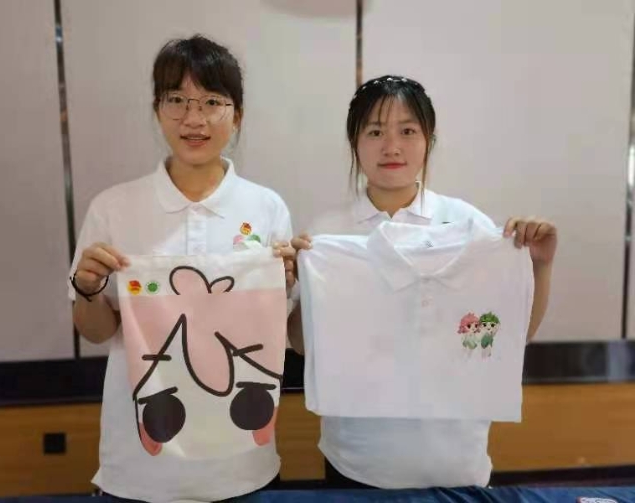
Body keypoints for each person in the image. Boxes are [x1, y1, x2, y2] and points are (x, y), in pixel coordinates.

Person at [288, 75, 557, 489]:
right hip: (356, 462)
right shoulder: (327, 231)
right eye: (375, 132)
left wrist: (539, 265)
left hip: (456, 463)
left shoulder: (469, 224)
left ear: (428, 140)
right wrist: (300, 280)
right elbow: (304, 344)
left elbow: (511, 333)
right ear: (355, 142)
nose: (392, 146)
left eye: (408, 131)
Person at [68, 35, 295, 502]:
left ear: (237, 115)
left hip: (243, 467)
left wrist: (286, 283)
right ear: (157, 109)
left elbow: (275, 333)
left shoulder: (267, 208)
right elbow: (96, 332)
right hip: (139, 468)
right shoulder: (113, 208)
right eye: (177, 100)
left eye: (212, 102)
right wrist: (88, 289)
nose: (194, 119)